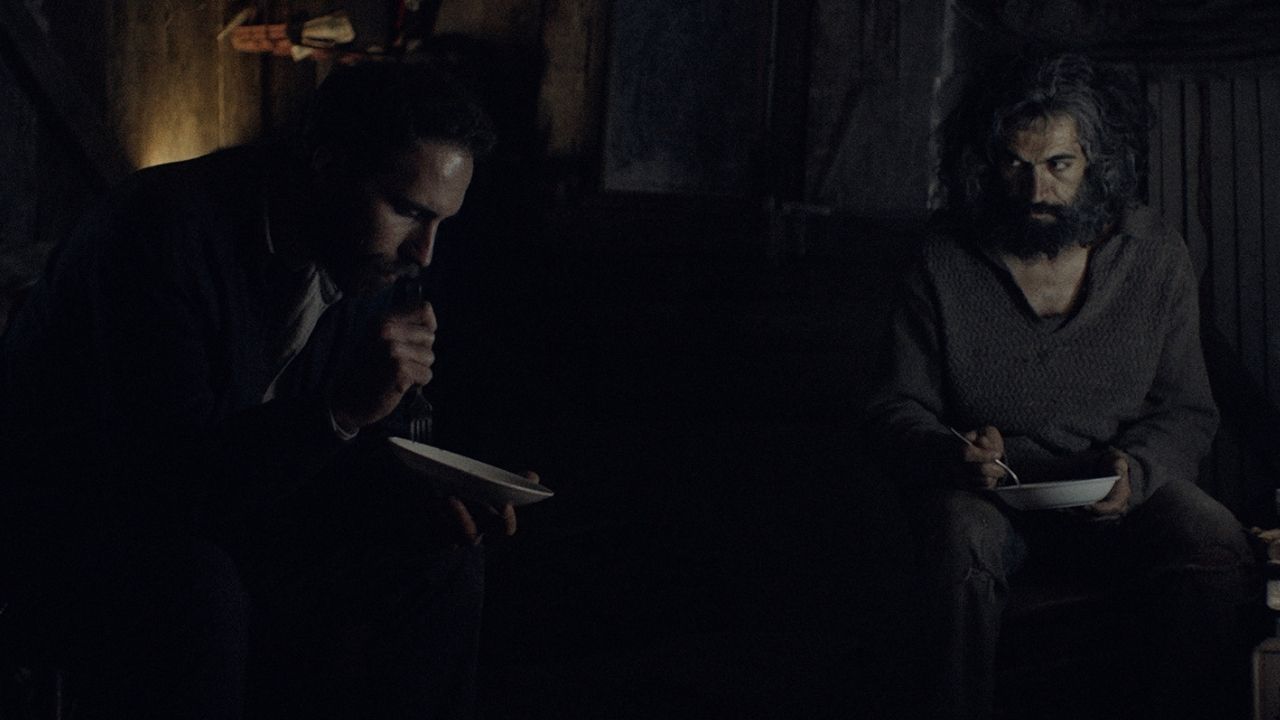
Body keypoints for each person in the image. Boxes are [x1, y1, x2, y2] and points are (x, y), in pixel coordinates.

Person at [0, 60, 532, 719]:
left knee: (440, 561)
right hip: (75, 532)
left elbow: (338, 459)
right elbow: (164, 486)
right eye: (407, 211)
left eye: (441, 222)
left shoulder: (364, 260)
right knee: (200, 586)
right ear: (326, 163)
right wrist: (343, 408)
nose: (424, 252)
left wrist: (431, 493)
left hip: (238, 521)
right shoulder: (161, 232)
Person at [865, 53, 1255, 719]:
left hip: (1119, 491)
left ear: (1096, 162)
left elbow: (1187, 409)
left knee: (1216, 543)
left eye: (1058, 165)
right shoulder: (942, 258)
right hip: (988, 497)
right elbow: (894, 404)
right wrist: (950, 452)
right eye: (1015, 164)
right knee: (957, 543)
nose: (1035, 189)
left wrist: (1138, 472)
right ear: (987, 163)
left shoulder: (1153, 254)